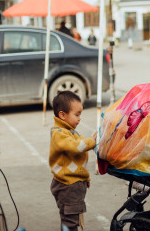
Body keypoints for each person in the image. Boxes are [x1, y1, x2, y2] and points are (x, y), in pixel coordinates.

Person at [49, 91, 97, 231]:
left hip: (73, 184)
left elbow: (78, 160)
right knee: (70, 222)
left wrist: (85, 177)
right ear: (62, 115)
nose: (79, 118)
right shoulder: (59, 134)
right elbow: (77, 148)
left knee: (71, 219)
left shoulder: (70, 132)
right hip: (68, 186)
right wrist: (92, 141)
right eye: (77, 114)